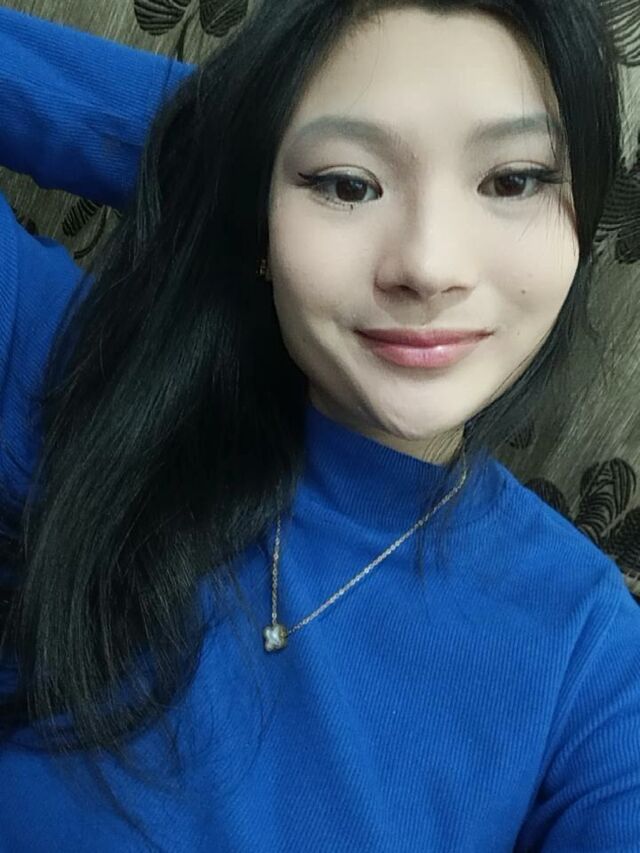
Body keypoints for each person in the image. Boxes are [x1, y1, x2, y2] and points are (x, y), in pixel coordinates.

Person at [0, 2, 638, 851]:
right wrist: (231, 153)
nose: (428, 266)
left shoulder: (591, 658)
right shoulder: (59, 364)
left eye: (513, 180)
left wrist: (309, 155)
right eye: (346, 184)